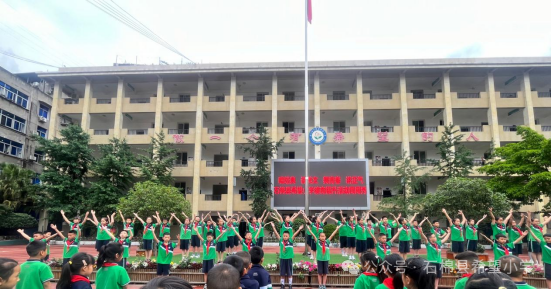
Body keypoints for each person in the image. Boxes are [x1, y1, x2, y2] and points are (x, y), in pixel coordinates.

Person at [307, 223, 342, 289]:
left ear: (325, 237)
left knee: (325, 273)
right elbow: (313, 235)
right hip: (320, 259)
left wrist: (337, 229)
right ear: (319, 237)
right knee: (320, 273)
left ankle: (324, 285)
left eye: (323, 236)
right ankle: (320, 285)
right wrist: (309, 229)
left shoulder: (327, 242)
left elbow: (332, 234)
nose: (322, 237)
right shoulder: (317, 242)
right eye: (321, 236)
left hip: (326, 259)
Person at [271, 223, 303, 289]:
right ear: (282, 236)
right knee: (282, 273)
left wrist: (299, 229)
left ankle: (290, 285)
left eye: (286, 236)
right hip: (282, 258)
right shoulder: (281, 241)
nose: (285, 237)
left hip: (289, 259)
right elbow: (277, 234)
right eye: (284, 236)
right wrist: (273, 227)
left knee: (289, 273)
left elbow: (294, 235)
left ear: (289, 236)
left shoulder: (291, 240)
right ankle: (282, 285)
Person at [421, 223, 451, 289]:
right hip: (431, 262)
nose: (435, 237)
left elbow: (445, 239)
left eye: (435, 236)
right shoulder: (428, 244)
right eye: (434, 237)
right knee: (431, 276)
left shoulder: (438, 243)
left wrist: (448, 233)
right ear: (430, 238)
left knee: (437, 276)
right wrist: (421, 232)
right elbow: (424, 238)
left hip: (439, 262)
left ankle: (436, 287)